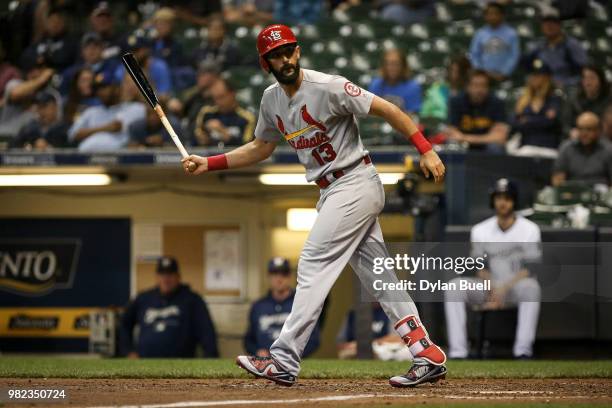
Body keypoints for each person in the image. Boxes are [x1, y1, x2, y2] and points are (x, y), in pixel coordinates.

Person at [182, 24, 447, 388]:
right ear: (265, 64)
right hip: (333, 190)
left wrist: (426, 148)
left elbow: (387, 109)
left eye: (289, 50)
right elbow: (261, 148)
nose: (285, 58)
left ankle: (284, 358)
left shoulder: (328, 86)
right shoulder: (271, 100)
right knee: (381, 278)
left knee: (312, 263)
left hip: (355, 180)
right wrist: (209, 163)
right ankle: (425, 352)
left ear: (298, 51)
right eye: (276, 55)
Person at [444, 178, 542, 359]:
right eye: (498, 197)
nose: (502, 202)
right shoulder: (480, 230)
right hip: (489, 287)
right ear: (493, 200)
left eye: (507, 198)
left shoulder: (530, 229)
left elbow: (531, 267)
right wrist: (492, 288)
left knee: (531, 287)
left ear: (514, 201)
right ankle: (458, 352)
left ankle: (523, 351)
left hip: (515, 287)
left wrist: (503, 289)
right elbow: (478, 265)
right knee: (453, 287)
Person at [119, 256, 219, 358]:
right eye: (162, 274)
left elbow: (207, 333)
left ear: (178, 277)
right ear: (157, 277)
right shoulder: (143, 299)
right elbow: (124, 323)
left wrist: (210, 359)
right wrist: (128, 351)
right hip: (145, 363)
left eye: (170, 274)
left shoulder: (192, 300)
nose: (166, 279)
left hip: (182, 365)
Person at [244, 257, 320, 358]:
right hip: (264, 362)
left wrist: (293, 355)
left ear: (290, 277)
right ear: (268, 276)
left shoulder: (301, 304)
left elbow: (314, 339)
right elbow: (248, 340)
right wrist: (257, 351)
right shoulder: (258, 306)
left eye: (284, 274)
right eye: (275, 273)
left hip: (294, 363)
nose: (279, 278)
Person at [68, 70, 145, 152]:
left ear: (116, 88)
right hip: (86, 159)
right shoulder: (91, 112)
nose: (100, 92)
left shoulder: (137, 109)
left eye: (104, 87)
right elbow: (73, 135)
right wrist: (105, 128)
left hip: (121, 159)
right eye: (97, 89)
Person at [446, 70, 509, 152]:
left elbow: (500, 137)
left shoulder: (497, 102)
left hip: (486, 145)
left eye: (483, 85)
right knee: (451, 144)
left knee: (495, 147)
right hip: (465, 144)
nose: (479, 89)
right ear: (467, 86)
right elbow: (452, 133)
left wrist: (465, 138)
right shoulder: (456, 101)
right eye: (475, 85)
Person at [511, 59, 563, 157]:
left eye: (539, 75)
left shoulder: (555, 98)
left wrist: (527, 120)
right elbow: (514, 124)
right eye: (532, 75)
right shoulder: (523, 100)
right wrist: (541, 119)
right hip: (526, 145)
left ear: (547, 78)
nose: (534, 79)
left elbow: (551, 123)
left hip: (549, 146)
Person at [523, 9, 587, 88]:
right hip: (544, 89)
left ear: (559, 25)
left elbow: (584, 72)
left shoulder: (572, 45)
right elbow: (528, 66)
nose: (549, 26)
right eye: (546, 23)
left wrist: (566, 83)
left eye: (552, 23)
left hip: (568, 88)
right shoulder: (539, 46)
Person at [552, 112, 612, 186]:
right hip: (573, 192)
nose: (584, 133)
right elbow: (558, 179)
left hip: (601, 193)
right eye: (580, 129)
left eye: (589, 129)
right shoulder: (566, 148)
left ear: (598, 130)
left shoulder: (608, 149)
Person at [193, 79, 255, 148]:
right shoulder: (206, 113)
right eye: (215, 98)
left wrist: (223, 132)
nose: (218, 102)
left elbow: (248, 147)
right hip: (209, 156)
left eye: (221, 97)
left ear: (232, 94)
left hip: (235, 157)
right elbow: (194, 141)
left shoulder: (247, 118)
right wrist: (203, 139)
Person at [337, 303, 409, 361]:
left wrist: (371, 344)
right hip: (354, 350)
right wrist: (354, 346)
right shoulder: (353, 314)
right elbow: (341, 344)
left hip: (384, 349)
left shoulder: (390, 312)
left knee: (403, 352)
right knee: (346, 353)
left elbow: (398, 338)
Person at [0, 64, 55, 139]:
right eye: (32, 69)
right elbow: (15, 93)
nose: (36, 73)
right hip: (6, 137)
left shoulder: (49, 93)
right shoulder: (15, 83)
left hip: (32, 140)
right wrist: (41, 79)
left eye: (40, 69)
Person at [469, 2, 520, 81]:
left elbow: (514, 55)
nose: (493, 16)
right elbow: (474, 54)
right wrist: (481, 71)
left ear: (502, 15)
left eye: (496, 13)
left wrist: (504, 73)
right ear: (485, 16)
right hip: (484, 75)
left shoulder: (511, 33)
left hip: (505, 76)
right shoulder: (480, 33)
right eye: (489, 14)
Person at [20, 8, 78, 73]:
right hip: (37, 76)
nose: (54, 25)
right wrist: (36, 59)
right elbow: (25, 56)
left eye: (57, 22)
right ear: (47, 24)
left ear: (63, 24)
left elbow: (65, 59)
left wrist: (45, 59)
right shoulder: (41, 41)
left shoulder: (70, 42)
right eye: (51, 21)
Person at [368, 49, 422, 114]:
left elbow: (413, 115)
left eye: (396, 64)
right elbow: (371, 112)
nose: (392, 68)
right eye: (388, 64)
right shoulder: (376, 84)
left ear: (403, 66)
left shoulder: (413, 88)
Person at [420, 55, 471, 121]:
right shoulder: (436, 89)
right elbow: (425, 113)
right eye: (452, 70)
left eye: (459, 71)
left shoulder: (471, 93)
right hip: (435, 125)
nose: (455, 75)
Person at [566, 65, 611, 138]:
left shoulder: (608, 100)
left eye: (592, 78)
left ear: (600, 80)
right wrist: (570, 131)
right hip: (577, 139)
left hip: (602, 139)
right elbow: (565, 124)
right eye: (584, 78)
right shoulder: (574, 99)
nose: (588, 82)